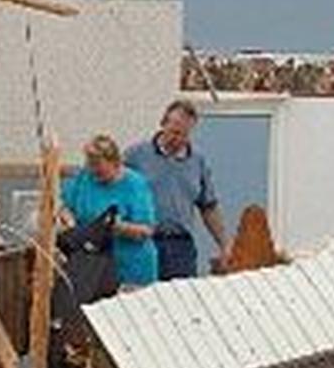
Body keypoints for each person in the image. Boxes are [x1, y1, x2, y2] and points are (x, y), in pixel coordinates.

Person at [125, 99, 231, 280]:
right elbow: (115, 187)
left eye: (184, 135)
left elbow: (209, 207)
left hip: (180, 247)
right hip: (144, 243)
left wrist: (225, 244)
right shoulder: (136, 155)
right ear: (163, 124)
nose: (178, 140)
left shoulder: (197, 162)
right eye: (174, 132)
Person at [60, 134, 158, 290]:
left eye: (99, 169)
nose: (94, 173)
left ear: (115, 162)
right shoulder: (84, 177)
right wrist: (69, 221)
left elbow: (146, 230)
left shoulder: (135, 185)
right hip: (92, 267)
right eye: (90, 166)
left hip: (131, 268)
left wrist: (117, 227)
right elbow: (63, 205)